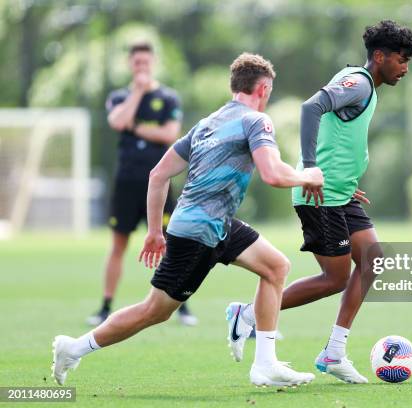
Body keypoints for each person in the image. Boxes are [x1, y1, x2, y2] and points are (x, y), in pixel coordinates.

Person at [53, 53, 323, 387]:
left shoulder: (207, 123)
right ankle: (74, 347)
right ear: (264, 88)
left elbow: (158, 175)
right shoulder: (256, 121)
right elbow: (272, 173)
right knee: (156, 310)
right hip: (199, 231)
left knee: (276, 267)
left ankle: (264, 361)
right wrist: (309, 175)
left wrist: (154, 232)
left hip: (215, 223)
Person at [227, 20, 412, 383]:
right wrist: (313, 169)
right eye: (401, 59)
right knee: (335, 279)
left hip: (340, 194)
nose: (405, 67)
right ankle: (248, 315)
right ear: (379, 56)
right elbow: (310, 108)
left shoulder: (369, 87)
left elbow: (340, 137)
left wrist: (345, 179)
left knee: (372, 260)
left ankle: (334, 352)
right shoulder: (358, 82)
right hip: (321, 196)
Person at [87, 42, 198, 327]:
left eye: (145, 63)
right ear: (130, 65)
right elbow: (116, 121)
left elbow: (169, 134)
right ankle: (105, 306)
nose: (141, 68)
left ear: (154, 63)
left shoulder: (169, 98)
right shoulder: (120, 97)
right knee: (118, 244)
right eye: (137, 63)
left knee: (173, 243)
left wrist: (136, 127)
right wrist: (137, 93)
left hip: (159, 183)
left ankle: (181, 305)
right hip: (126, 182)